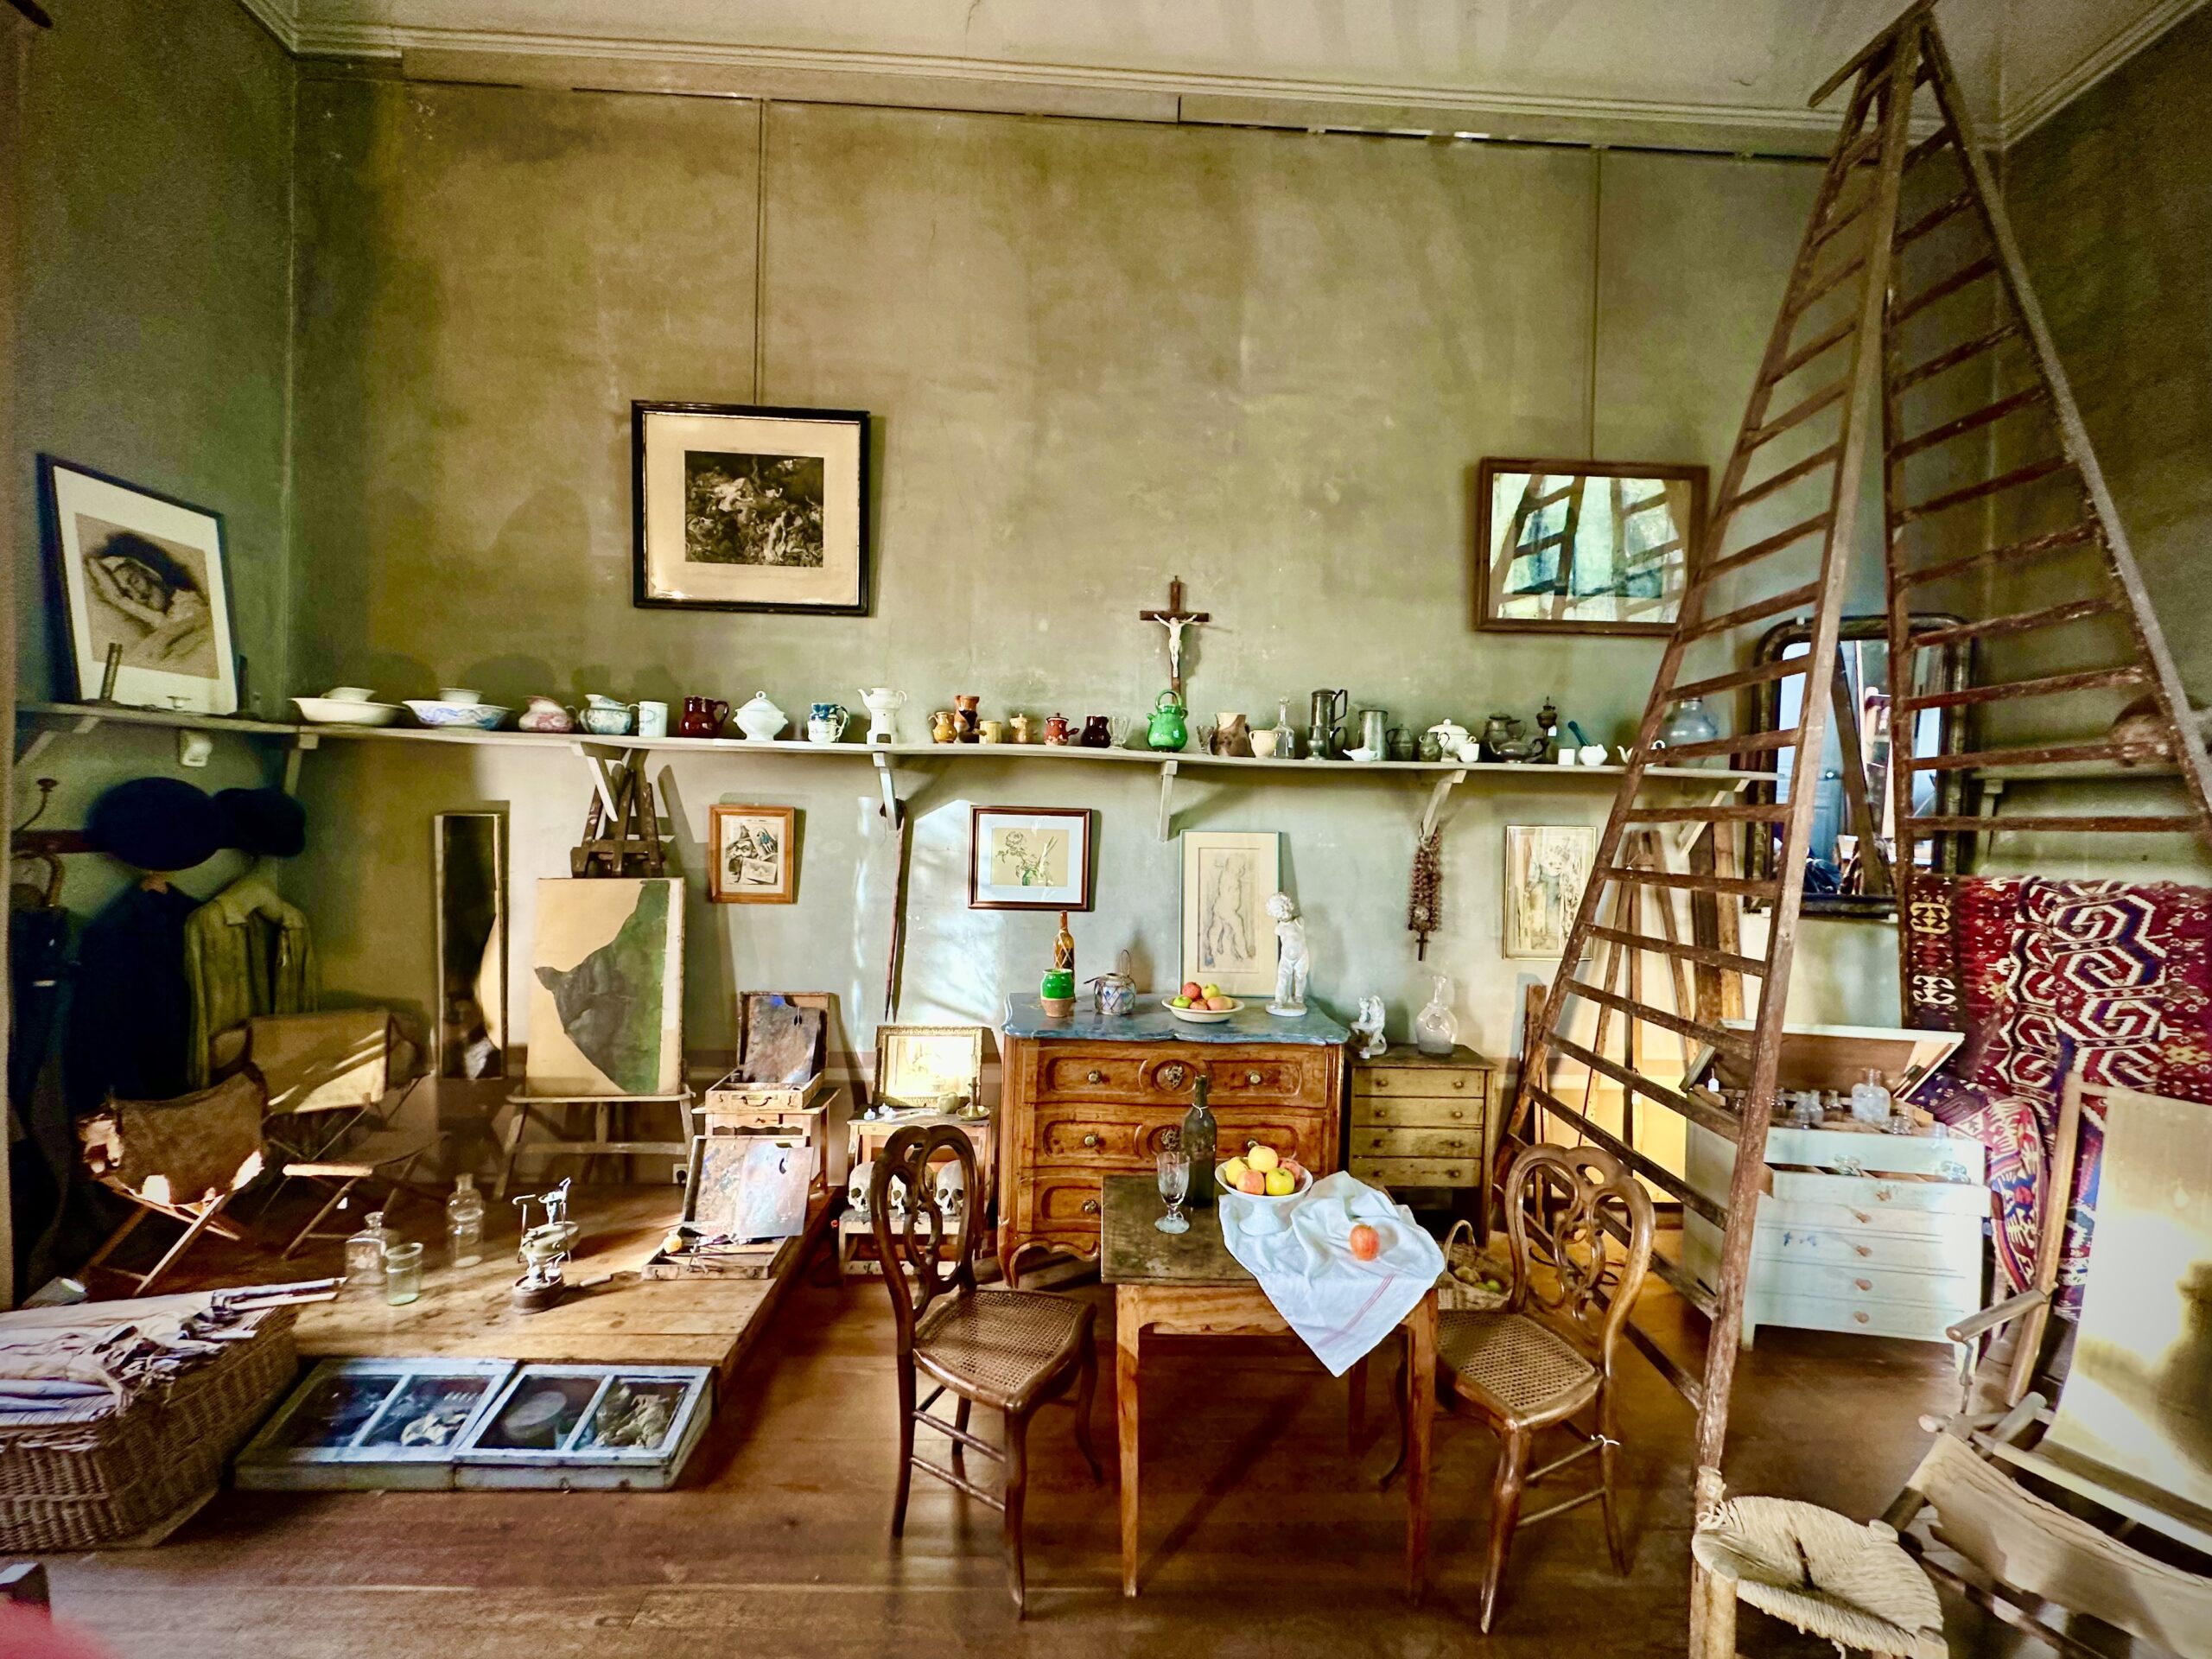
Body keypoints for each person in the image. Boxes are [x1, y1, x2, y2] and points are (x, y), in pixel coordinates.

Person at [84, 530, 212, 667]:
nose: (138, 595)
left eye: (135, 581)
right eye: (127, 592)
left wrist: (122, 601)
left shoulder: (190, 604)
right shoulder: (165, 617)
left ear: (149, 573)